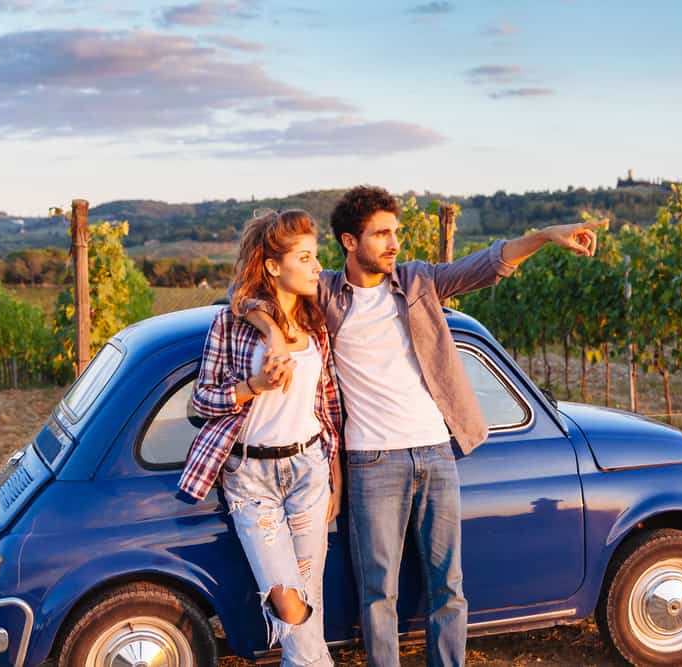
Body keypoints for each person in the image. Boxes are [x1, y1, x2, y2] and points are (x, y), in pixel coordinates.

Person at [243, 186, 607, 667]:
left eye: (397, 232)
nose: (395, 243)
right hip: (371, 462)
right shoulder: (326, 293)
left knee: (449, 587)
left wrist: (542, 236)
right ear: (350, 241)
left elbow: (487, 264)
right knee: (378, 593)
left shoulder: (418, 282)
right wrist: (269, 330)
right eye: (382, 234)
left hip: (436, 453)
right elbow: (247, 294)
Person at [178, 209, 343, 667]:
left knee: (311, 596)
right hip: (251, 479)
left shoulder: (316, 321)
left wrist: (336, 475)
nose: (316, 268)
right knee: (290, 603)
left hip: (309, 470)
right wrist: (254, 387)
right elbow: (202, 402)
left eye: (316, 257)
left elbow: (328, 404)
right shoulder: (229, 325)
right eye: (305, 258)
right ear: (273, 266)